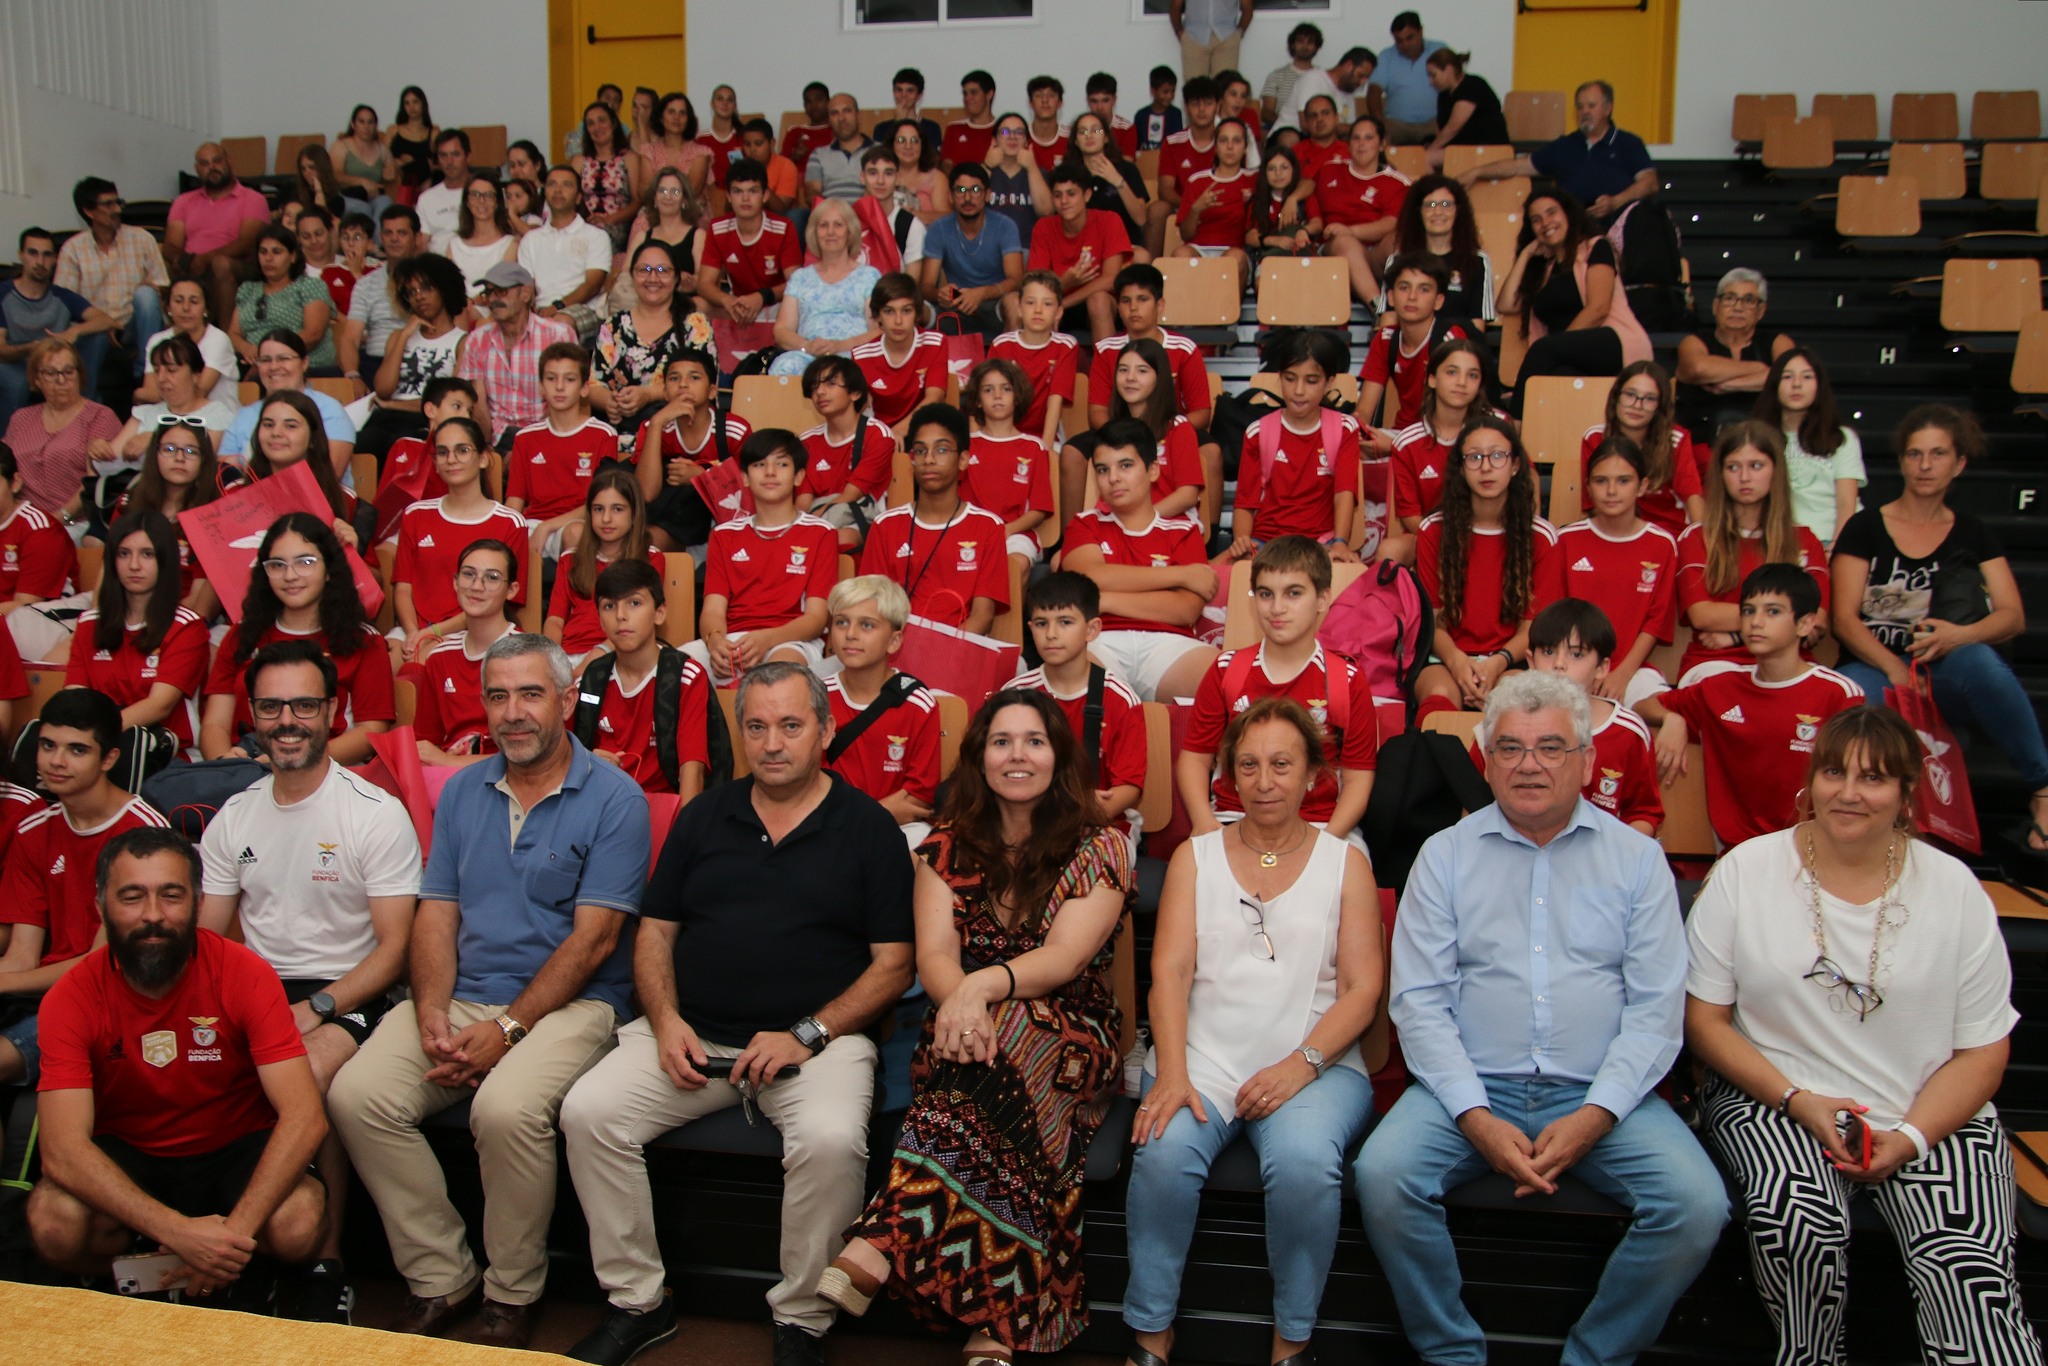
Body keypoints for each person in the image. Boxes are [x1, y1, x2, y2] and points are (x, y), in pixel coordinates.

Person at [1354, 669, 1728, 1365]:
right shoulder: (1443, 857)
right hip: (1468, 1089)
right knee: (1383, 1176)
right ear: (1486, 762)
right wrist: (1474, 1116)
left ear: (1586, 762)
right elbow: (1420, 1005)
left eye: (1552, 747)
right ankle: (1452, 1354)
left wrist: (1598, 1115)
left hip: (1603, 1094)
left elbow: (1655, 1012)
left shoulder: (1639, 861)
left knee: (1696, 1207)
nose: (1529, 764)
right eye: (1510, 748)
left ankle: (1593, 1356)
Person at [559, 661, 910, 1366]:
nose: (773, 742)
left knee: (834, 1136)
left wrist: (807, 1034)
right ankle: (639, 1301)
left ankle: (804, 1319)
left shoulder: (869, 829)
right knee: (588, 1111)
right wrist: (664, 1020)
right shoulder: (703, 817)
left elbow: (894, 964)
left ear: (826, 729)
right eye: (756, 726)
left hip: (818, 1042)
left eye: (790, 724)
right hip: (694, 1033)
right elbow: (655, 933)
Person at [1684, 706, 2042, 1366]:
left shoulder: (1956, 891)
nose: (1848, 792)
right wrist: (1798, 1100)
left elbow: (1985, 1050)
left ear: (1907, 794)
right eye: (1833, 772)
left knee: (1968, 1271)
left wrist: (1908, 1137)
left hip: (1929, 1109)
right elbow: (1704, 1022)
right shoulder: (1746, 871)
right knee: (1803, 1229)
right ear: (1810, 781)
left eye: (1874, 779)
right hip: (1779, 1098)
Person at [328, 633, 647, 1350]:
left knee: (504, 1109)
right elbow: (436, 913)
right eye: (497, 696)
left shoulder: (615, 799)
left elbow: (594, 943)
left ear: (567, 700)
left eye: (531, 693)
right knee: (357, 1095)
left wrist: (506, 1029)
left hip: (574, 1003)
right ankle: (442, 1272)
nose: (513, 712)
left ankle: (511, 1290)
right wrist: (433, 1008)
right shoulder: (463, 790)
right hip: (464, 992)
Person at [818, 689, 1130, 1364]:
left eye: (1034, 741)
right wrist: (961, 1001)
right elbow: (933, 956)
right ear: (979, 758)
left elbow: (1065, 959)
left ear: (1059, 757)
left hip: (1073, 1034)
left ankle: (885, 1235)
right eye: (1001, 741)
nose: (1018, 755)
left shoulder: (1101, 844)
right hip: (965, 1033)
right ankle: (1003, 1321)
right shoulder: (946, 845)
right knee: (997, 1065)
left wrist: (978, 992)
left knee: (1015, 1032)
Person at [1129, 695, 1380, 1366]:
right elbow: (1171, 973)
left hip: (1314, 1063)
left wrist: (1300, 1065)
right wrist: (1174, 1075)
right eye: (1249, 765)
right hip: (1201, 1055)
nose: (1265, 781)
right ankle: (1152, 1334)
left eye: (1281, 764)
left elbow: (1363, 991)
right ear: (1228, 776)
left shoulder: (1345, 862)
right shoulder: (1195, 855)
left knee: (1303, 1166)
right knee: (1160, 1150)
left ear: (1312, 776)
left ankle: (1290, 1343)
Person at [196, 639, 420, 1324]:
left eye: (302, 705)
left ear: (331, 710)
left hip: (351, 990)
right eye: (270, 706)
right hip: (257, 989)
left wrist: (317, 1007)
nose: (286, 720)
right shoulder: (235, 815)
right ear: (253, 717)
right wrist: (246, 1006)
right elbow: (208, 939)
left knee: (306, 1075)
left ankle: (325, 1263)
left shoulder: (372, 812)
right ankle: (245, 1252)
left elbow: (394, 952)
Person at [26, 825, 329, 1304]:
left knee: (298, 1225)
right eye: (132, 897)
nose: (153, 915)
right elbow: (62, 1150)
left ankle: (233, 1270)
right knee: (53, 1225)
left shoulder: (245, 972)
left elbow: (304, 1116)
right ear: (101, 904)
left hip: (234, 1148)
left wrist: (223, 1245)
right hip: (129, 1152)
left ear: (198, 901)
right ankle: (136, 1269)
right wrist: (180, 1232)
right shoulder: (70, 996)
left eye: (171, 895)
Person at [1831, 405, 2048, 851]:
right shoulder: (1866, 526)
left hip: (1947, 669)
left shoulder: (1972, 531)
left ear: (1959, 463)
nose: (1925, 466)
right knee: (1855, 692)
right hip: (1878, 664)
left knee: (1981, 662)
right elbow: (1844, 619)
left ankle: (2043, 788)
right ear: (1902, 461)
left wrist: (1958, 636)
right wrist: (1895, 670)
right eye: (1914, 454)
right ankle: (1872, 821)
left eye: (1937, 454)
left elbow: (2012, 616)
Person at [0, 688, 171, 1088]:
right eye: (47, 745)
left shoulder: (144, 837)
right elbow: (22, 955)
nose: (56, 761)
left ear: (109, 758)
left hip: (110, 1001)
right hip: (38, 995)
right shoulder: (34, 829)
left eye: (77, 750)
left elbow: (103, 964)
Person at [1643, 561, 1864, 848]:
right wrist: (1672, 719)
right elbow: (1644, 705)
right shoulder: (1720, 688)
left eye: (1772, 611)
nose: (1755, 621)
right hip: (1738, 856)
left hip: (1816, 852)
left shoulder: (1838, 693)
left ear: (1805, 624)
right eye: (1748, 611)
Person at [1181, 535, 1379, 846]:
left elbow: (1358, 777)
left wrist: (1328, 840)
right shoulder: (1226, 670)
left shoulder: (1347, 679)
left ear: (1323, 599)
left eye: (1293, 593)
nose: (1277, 608)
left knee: (1354, 883)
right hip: (1233, 819)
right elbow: (1194, 759)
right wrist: (1204, 823)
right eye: (1265, 594)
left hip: (1322, 825)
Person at [199, 514, 394, 764]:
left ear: (328, 570)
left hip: (327, 771)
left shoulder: (364, 641)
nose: (290, 575)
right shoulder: (243, 634)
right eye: (277, 565)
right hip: (244, 768)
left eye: (305, 562)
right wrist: (227, 764)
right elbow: (214, 724)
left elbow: (370, 733)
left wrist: (283, 762)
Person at [1058, 419, 1217, 703]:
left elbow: (1185, 611)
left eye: (1126, 465)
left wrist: (1103, 601)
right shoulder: (1084, 524)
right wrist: (1180, 576)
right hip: (1099, 639)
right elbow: (1090, 578)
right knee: (1078, 681)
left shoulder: (1184, 530)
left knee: (1224, 680)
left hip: (1169, 645)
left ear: (1153, 470)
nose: (1114, 478)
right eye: (1103, 469)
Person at [1414, 415, 1558, 712]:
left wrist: (1496, 663)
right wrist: (1457, 662)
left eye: (1497, 455)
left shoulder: (1541, 536)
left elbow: (1534, 626)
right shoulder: (1434, 530)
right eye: (1474, 457)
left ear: (1515, 465)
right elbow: (1433, 619)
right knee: (1438, 700)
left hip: (1512, 660)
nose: (1486, 467)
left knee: (1513, 702)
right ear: (1461, 468)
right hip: (1446, 657)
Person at [1675, 421, 1828, 683]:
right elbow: (1702, 615)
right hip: (1716, 661)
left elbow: (1818, 619)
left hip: (1789, 663)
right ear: (1721, 474)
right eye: (1733, 467)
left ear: (1775, 471)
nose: (1744, 477)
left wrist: (1734, 634)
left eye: (1756, 466)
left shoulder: (1803, 539)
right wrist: (1782, 619)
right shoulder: (1699, 536)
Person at [59, 510, 208, 773]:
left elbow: (159, 705)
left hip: (166, 760)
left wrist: (89, 736)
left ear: (165, 560)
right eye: (124, 553)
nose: (134, 565)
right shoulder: (89, 623)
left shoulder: (187, 626)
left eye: (147, 554)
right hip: (94, 750)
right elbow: (75, 696)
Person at [693, 428, 837, 685]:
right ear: (745, 478)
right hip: (734, 639)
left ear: (798, 476)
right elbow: (713, 609)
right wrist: (715, 641)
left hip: (791, 640)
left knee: (777, 676)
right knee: (673, 670)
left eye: (781, 464)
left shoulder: (820, 533)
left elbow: (816, 619)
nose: (770, 472)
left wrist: (765, 639)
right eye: (759, 465)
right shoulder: (723, 535)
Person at [1012, 571, 1148, 840]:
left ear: (1092, 629)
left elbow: (1128, 788)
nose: (1051, 634)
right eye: (1041, 623)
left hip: (1101, 826)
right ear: (1030, 629)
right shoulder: (1015, 694)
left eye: (1065, 622)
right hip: (1029, 821)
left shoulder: (1120, 699)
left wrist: (1078, 811)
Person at [1510, 598, 1663, 835]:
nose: (1559, 664)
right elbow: (1477, 806)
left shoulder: (1628, 732)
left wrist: (1616, 860)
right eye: (1549, 652)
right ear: (1530, 661)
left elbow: (1642, 814)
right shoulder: (1507, 724)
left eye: (1576, 654)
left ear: (1602, 667)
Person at [1550, 436, 1679, 708]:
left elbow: (1655, 622)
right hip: (1570, 665)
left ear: (1642, 485)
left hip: (1632, 669)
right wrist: (1583, 668)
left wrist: (1621, 674)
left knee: (1664, 712)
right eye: (1600, 481)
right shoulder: (1567, 540)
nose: (1611, 490)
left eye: (1623, 480)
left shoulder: (1662, 544)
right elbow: (1556, 616)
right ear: (1588, 487)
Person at [858, 404, 1010, 636]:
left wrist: (938, 655)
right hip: (894, 647)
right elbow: (871, 606)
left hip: (958, 650)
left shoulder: (988, 527)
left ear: (963, 459)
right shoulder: (885, 526)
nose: (928, 459)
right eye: (920, 451)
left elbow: (982, 615)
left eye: (941, 450)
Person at [1497, 188, 1650, 410]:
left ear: (1568, 214)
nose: (1545, 222)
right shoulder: (1543, 272)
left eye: (1551, 213)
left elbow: (1598, 308)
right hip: (1571, 357)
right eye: (1536, 220)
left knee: (1543, 349)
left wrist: (1558, 346)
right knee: (1560, 378)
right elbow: (1505, 304)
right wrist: (1526, 254)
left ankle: (1516, 422)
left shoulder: (1595, 246)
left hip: (1612, 342)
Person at [572, 558, 709, 799]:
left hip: (665, 808)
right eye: (609, 606)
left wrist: (684, 836)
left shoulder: (685, 677)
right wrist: (584, 759)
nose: (621, 615)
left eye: (634, 603)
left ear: (659, 613)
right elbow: (559, 758)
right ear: (600, 620)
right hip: (603, 807)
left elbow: (692, 773)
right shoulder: (590, 681)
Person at [393, 417, 529, 659]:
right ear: (434, 462)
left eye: (462, 450)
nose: (451, 459)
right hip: (414, 630)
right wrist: (414, 633)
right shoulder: (415, 515)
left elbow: (504, 599)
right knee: (385, 659)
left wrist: (433, 633)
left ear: (484, 458)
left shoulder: (509, 522)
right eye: (443, 452)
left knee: (426, 662)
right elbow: (403, 588)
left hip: (477, 629)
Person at [821, 576, 941, 835]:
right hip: (830, 824)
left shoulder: (918, 703)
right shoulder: (815, 698)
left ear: (894, 640)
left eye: (866, 625)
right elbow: (811, 787)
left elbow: (918, 797)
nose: (850, 634)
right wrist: (871, 816)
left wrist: (872, 819)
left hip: (899, 827)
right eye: (841, 622)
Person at [1231, 328, 1360, 557]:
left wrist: (1340, 541)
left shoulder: (1344, 429)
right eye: (1290, 379)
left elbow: (1344, 493)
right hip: (1266, 544)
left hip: (1321, 545)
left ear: (1329, 382)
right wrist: (1243, 544)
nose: (1299, 391)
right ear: (1279, 378)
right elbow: (1245, 503)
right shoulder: (1257, 432)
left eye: (1311, 381)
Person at [1463, 80, 1659, 227]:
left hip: (1620, 227)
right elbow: (1518, 166)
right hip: (1574, 232)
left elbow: (1650, 183)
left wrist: (1615, 202)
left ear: (1608, 108)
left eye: (1591, 106)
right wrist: (1477, 172)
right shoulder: (1565, 146)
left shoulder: (1629, 143)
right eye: (1580, 107)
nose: (1584, 112)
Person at [637, 325, 751, 553]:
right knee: (642, 541)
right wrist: (658, 423)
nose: (683, 385)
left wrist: (701, 477)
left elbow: (749, 489)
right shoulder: (653, 427)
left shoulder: (734, 429)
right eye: (674, 378)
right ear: (666, 392)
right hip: (673, 522)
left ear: (711, 391)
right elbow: (646, 493)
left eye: (694, 377)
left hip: (724, 520)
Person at [412, 537, 520, 765]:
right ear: (455, 582)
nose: (477, 586)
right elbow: (424, 744)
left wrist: (447, 761)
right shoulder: (439, 656)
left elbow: (532, 755)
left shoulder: (528, 655)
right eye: (469, 574)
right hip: (449, 779)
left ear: (511, 590)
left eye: (492, 578)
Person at [508, 340, 618, 554]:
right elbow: (514, 503)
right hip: (533, 524)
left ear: (585, 388)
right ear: (541, 385)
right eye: (551, 379)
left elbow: (603, 503)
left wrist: (548, 526)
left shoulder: (603, 434)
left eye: (569, 379)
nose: (559, 387)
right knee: (504, 538)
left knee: (575, 533)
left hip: (580, 523)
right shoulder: (525, 438)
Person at [56, 177, 170, 383]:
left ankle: (146, 375)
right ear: (88, 211)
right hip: (96, 329)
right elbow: (65, 301)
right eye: (108, 204)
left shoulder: (142, 239)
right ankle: (87, 403)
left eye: (118, 202)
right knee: (95, 335)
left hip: (134, 326)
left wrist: (152, 289)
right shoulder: (73, 249)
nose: (117, 209)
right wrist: (102, 323)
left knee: (146, 295)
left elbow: (162, 286)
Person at [546, 467, 662, 667]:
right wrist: (554, 660)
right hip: (569, 656)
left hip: (621, 653)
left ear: (634, 514)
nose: (606, 518)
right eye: (598, 509)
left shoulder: (650, 558)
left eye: (617, 509)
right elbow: (555, 620)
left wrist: (599, 653)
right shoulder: (570, 558)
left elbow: (645, 623)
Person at [4, 337, 119, 538]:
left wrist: (58, 518)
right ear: (37, 379)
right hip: (20, 521)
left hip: (75, 524)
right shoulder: (20, 418)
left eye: (68, 371)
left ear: (80, 374)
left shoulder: (99, 416)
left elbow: (97, 481)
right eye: (50, 373)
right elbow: (4, 471)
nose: (61, 380)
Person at [116, 421, 232, 620]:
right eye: (169, 449)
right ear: (155, 455)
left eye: (191, 451)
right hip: (124, 609)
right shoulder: (130, 502)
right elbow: (108, 571)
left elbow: (200, 604)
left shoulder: (213, 514)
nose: (179, 458)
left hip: (181, 617)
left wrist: (146, 622)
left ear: (204, 461)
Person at [1752, 347, 1864, 549]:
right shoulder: (1759, 439)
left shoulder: (1842, 438)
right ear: (1774, 385)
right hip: (1782, 542)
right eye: (1787, 377)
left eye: (1807, 377)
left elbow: (1847, 503)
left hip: (1832, 539)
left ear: (1819, 386)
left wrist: (1837, 548)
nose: (1796, 384)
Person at [359, 252, 468, 461]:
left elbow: (451, 403)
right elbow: (383, 389)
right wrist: (404, 336)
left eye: (426, 288)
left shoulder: (463, 342)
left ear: (444, 289)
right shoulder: (398, 337)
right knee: (362, 442)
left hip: (425, 421)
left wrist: (392, 405)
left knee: (401, 444)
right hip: (385, 419)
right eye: (412, 291)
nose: (419, 296)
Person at [2, 228, 114, 429]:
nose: (40, 261)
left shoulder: (61, 295)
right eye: (33, 253)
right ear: (21, 256)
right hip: (17, 363)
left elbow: (105, 320)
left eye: (47, 255)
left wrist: (73, 332)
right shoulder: (3, 294)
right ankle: (8, 446)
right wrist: (35, 347)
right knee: (14, 382)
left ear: (54, 259)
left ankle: (82, 417)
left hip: (59, 364)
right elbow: (1, 350)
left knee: (98, 337)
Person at [1577, 362, 1702, 538]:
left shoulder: (1676, 439)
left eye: (1649, 399)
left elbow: (1692, 496)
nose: (1637, 405)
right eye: (1630, 395)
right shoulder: (1595, 438)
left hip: (1670, 536)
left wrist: (1703, 544)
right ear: (1616, 397)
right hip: (1616, 532)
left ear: (1660, 406)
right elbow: (1592, 505)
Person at [699, 157, 805, 366]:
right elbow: (704, 283)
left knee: (801, 309)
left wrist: (761, 296)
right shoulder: (717, 228)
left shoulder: (784, 228)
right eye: (738, 191)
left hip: (775, 306)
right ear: (728, 196)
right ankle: (711, 365)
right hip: (737, 307)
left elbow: (796, 282)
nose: (745, 198)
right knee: (697, 305)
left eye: (753, 191)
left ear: (765, 195)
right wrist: (727, 301)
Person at [459, 261, 575, 449]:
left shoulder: (557, 335)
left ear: (525, 294)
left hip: (546, 435)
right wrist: (487, 450)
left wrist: (531, 448)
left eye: (501, 291)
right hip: (496, 438)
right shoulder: (477, 339)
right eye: (488, 292)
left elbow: (565, 400)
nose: (492, 299)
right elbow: (478, 404)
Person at [1357, 253, 1470, 441]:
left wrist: (1397, 446)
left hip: (1443, 436)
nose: (1412, 297)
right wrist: (1357, 434)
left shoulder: (1449, 339)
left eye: (1424, 289)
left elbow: (1451, 420)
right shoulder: (1385, 339)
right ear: (1391, 297)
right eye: (1404, 287)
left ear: (1439, 301)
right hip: (1403, 433)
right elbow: (1364, 410)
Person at [1389, 336, 1492, 540]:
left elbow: (1526, 479)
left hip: (1489, 533)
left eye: (1472, 375)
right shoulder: (1407, 443)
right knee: (1391, 550)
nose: (1462, 383)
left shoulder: (1496, 428)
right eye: (1452, 372)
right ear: (1432, 379)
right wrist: (1446, 543)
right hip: (1432, 537)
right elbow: (1410, 517)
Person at [162, 142, 271, 333]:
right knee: (159, 258)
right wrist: (183, 259)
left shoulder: (252, 198)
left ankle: (227, 337)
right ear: (197, 169)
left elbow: (247, 243)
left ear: (229, 161)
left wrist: (205, 259)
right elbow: (170, 244)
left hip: (237, 266)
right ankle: (172, 337)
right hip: (191, 265)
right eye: (204, 163)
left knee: (220, 263)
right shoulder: (183, 201)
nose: (212, 167)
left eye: (217, 161)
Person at [1675, 268, 1794, 440]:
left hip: (1763, 439)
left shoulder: (1778, 342)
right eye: (1730, 298)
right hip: (1702, 439)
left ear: (1761, 310)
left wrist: (1728, 385)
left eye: (1748, 300)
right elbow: (1698, 368)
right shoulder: (1694, 341)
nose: (1738, 307)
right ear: (1716, 306)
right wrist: (1760, 369)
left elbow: (1787, 377)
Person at [961, 358, 1053, 578]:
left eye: (1006, 389)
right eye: (988, 389)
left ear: (1017, 397)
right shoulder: (964, 445)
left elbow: (1039, 510)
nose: (997, 395)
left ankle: (1015, 614)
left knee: (1015, 565)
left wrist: (1005, 531)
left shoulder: (1034, 447)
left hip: (1016, 533)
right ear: (978, 401)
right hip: (969, 533)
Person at [768, 200, 880, 378]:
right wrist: (807, 346)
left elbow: (878, 330)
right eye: (823, 225)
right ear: (814, 232)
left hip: (852, 354)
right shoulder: (800, 278)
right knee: (785, 366)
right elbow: (782, 330)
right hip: (809, 356)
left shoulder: (869, 276)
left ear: (849, 231)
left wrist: (840, 345)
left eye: (838, 225)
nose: (830, 232)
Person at [218, 328, 357, 470]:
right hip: (250, 491)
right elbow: (227, 475)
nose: (273, 367)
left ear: (304, 363)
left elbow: (330, 473)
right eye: (265, 360)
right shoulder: (244, 415)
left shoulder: (330, 410)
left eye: (283, 358)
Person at [94, 335, 236, 467]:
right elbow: (109, 460)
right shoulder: (145, 414)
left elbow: (202, 462)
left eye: (171, 370)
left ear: (196, 375)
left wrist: (156, 439)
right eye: (156, 370)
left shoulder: (217, 415)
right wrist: (99, 450)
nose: (161, 378)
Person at [589, 239, 684, 437]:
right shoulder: (613, 326)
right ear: (632, 275)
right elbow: (594, 385)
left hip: (676, 433)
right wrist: (610, 401)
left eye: (663, 270)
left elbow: (700, 386)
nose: (653, 277)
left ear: (676, 278)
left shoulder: (694, 325)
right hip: (618, 432)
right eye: (644, 269)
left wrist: (648, 395)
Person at [799, 355, 896, 547]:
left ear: (855, 393)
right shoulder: (807, 441)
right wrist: (801, 526)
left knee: (837, 539)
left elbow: (852, 495)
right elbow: (803, 500)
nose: (820, 392)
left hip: (858, 516)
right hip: (816, 516)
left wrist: (815, 525)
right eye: (814, 387)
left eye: (831, 384)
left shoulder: (877, 434)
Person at [919, 162, 1024, 338]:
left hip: (995, 305)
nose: (967, 198)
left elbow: (1016, 280)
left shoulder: (1005, 226)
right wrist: (940, 294)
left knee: (1014, 302)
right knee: (913, 307)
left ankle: (1010, 364)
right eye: (960, 191)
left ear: (988, 195)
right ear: (950, 197)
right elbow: (925, 287)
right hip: (955, 304)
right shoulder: (939, 229)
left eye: (975, 190)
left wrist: (981, 294)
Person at [1317, 116, 1410, 306]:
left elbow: (1391, 223)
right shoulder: (1329, 170)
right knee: (1345, 242)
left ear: (1382, 144)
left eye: (1368, 138)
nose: (1361, 144)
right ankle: (1378, 308)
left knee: (1400, 239)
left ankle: (1406, 305)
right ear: (1348, 144)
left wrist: (1351, 231)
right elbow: (1307, 190)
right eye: (1356, 138)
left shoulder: (1397, 182)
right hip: (1334, 249)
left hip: (1375, 252)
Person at [518, 166, 615, 342]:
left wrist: (557, 306)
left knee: (559, 325)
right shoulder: (530, 239)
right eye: (552, 184)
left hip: (583, 309)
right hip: (539, 308)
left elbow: (591, 286)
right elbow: (526, 286)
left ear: (578, 197)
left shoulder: (596, 236)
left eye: (566, 185)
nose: (558, 190)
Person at [339, 205, 425, 396]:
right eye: (388, 233)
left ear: (417, 238)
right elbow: (350, 338)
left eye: (401, 233)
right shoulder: (365, 284)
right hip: (374, 364)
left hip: (419, 362)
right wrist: (353, 376)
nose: (394, 238)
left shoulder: (431, 280)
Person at [228, 226, 335, 373]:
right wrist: (247, 349)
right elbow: (234, 334)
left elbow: (313, 334)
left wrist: (267, 355)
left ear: (293, 256)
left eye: (276, 252)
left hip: (303, 366)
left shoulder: (310, 286)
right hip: (251, 363)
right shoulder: (248, 289)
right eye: (263, 251)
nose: (268, 258)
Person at [991, 272, 1079, 448]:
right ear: (1019, 308)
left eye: (1047, 304)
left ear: (1058, 312)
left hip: (1046, 437)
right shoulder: (1001, 345)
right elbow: (992, 399)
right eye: (1030, 303)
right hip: (1004, 433)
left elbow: (1055, 400)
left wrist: (1043, 451)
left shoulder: (1066, 346)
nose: (1038, 310)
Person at [1062, 113, 1160, 265]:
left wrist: (1118, 181)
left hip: (1123, 245)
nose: (1090, 136)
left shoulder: (1127, 169)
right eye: (1083, 132)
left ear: (1106, 137)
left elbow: (1140, 218)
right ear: (1075, 141)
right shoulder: (1068, 174)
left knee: (1142, 257)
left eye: (1097, 130)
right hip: (1083, 247)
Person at [851, 276, 942, 439]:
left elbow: (934, 398)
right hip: (879, 438)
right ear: (877, 316)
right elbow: (858, 412)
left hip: (923, 432)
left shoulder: (935, 343)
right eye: (889, 311)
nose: (898, 321)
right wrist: (885, 438)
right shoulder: (861, 356)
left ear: (918, 314)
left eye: (906, 311)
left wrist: (896, 433)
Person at [139, 277, 238, 409]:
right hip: (170, 417)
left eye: (194, 301)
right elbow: (149, 393)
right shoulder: (157, 341)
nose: (186, 308)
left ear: (206, 309)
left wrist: (139, 393)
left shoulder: (218, 340)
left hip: (217, 421)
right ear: (168, 308)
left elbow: (198, 394)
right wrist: (144, 394)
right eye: (178, 301)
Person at [1174, 118, 1254, 279]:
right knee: (1180, 255)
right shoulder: (1197, 181)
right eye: (1224, 140)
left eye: (1236, 141)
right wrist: (1196, 209)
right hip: (1198, 249)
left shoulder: (1254, 180)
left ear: (1245, 147)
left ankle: (1226, 305)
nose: (1230, 147)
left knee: (1234, 259)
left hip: (1234, 250)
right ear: (1215, 146)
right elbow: (1185, 235)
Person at [432, 174, 520, 300]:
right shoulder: (454, 244)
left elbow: (501, 289)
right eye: (475, 195)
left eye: (488, 195)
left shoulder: (510, 244)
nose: (481, 201)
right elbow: (449, 286)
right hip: (460, 307)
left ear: (497, 202)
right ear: (467, 201)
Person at [1424, 49, 1509, 170]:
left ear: (1448, 70)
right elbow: (1440, 130)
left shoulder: (1473, 85)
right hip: (1459, 149)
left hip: (1484, 148)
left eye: (1433, 75)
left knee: (1423, 159)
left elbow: (1453, 127)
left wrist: (1431, 150)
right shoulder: (1443, 95)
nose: (1430, 81)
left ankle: (1438, 188)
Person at [849, 147, 927, 276]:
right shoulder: (844, 221)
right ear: (862, 177)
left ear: (897, 177)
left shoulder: (911, 226)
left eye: (888, 173)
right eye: (873, 173)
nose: (880, 181)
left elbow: (911, 286)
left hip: (894, 294)